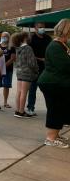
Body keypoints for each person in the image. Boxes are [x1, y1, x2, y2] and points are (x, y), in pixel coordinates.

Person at [38, 19, 70, 148]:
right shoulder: (55, 46)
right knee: (55, 109)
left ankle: (55, 135)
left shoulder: (62, 45)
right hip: (53, 83)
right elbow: (65, 66)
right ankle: (50, 138)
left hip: (58, 83)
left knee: (60, 109)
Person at [12, 32, 39, 118]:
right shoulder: (28, 48)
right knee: (24, 92)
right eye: (28, 36)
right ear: (24, 38)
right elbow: (31, 63)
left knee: (19, 92)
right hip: (27, 73)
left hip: (19, 72)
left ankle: (17, 110)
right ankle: (21, 111)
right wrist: (36, 70)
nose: (29, 38)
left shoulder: (18, 48)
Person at [27, 22, 52, 115]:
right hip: (34, 68)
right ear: (35, 28)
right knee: (33, 89)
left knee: (47, 89)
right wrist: (40, 59)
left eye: (43, 27)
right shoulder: (31, 39)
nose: (42, 29)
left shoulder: (48, 38)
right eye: (40, 27)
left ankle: (50, 109)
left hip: (46, 68)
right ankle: (30, 108)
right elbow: (29, 54)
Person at [0, 32, 16, 108]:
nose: (4, 37)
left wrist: (4, 66)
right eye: (3, 36)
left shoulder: (11, 47)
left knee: (6, 86)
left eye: (6, 36)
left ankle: (5, 102)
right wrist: (0, 67)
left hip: (8, 70)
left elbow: (12, 58)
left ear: (9, 38)